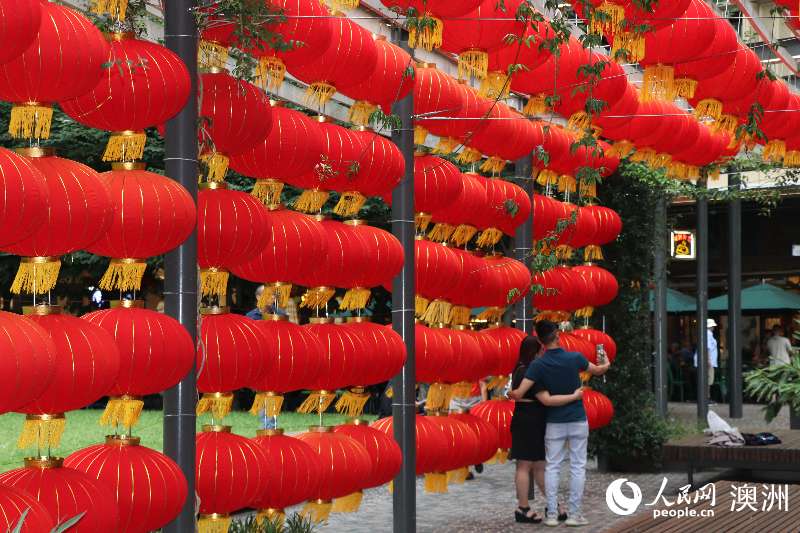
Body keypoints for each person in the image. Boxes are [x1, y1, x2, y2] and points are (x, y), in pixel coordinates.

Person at [509, 321, 610, 527]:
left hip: (553, 421)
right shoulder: (575, 357)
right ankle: (574, 514)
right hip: (577, 419)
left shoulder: (538, 364)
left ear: (541, 342)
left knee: (552, 467)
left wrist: (513, 394)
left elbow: (519, 393)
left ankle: (553, 514)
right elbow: (598, 370)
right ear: (557, 336)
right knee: (577, 467)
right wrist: (606, 362)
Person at [508, 335, 583, 524]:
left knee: (535, 465)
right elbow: (546, 399)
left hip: (522, 418)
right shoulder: (533, 372)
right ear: (536, 351)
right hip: (533, 420)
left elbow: (516, 393)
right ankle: (524, 508)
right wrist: (574, 396)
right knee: (529, 466)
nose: (544, 352)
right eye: (541, 350)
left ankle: (553, 505)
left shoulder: (518, 369)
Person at [694, 319, 719, 399]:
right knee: (708, 380)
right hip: (708, 361)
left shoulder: (706, 334)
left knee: (707, 380)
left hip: (706, 361)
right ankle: (706, 398)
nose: (713, 328)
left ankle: (706, 397)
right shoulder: (707, 334)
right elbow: (707, 348)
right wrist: (708, 360)